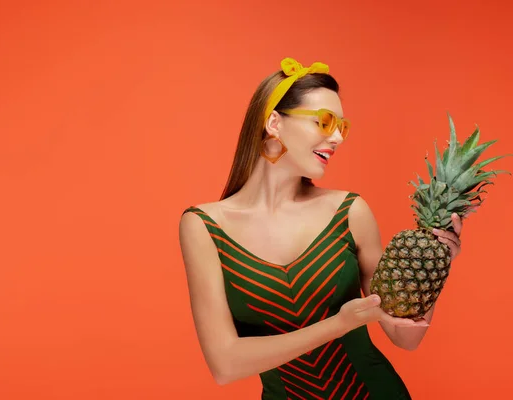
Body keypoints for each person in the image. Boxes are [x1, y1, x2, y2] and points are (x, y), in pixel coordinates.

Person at [178, 57, 463, 400]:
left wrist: (435, 262)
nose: (338, 137)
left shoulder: (350, 212)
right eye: (325, 122)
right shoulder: (204, 227)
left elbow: (407, 338)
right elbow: (225, 365)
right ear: (274, 123)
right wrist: (340, 324)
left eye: (343, 126)